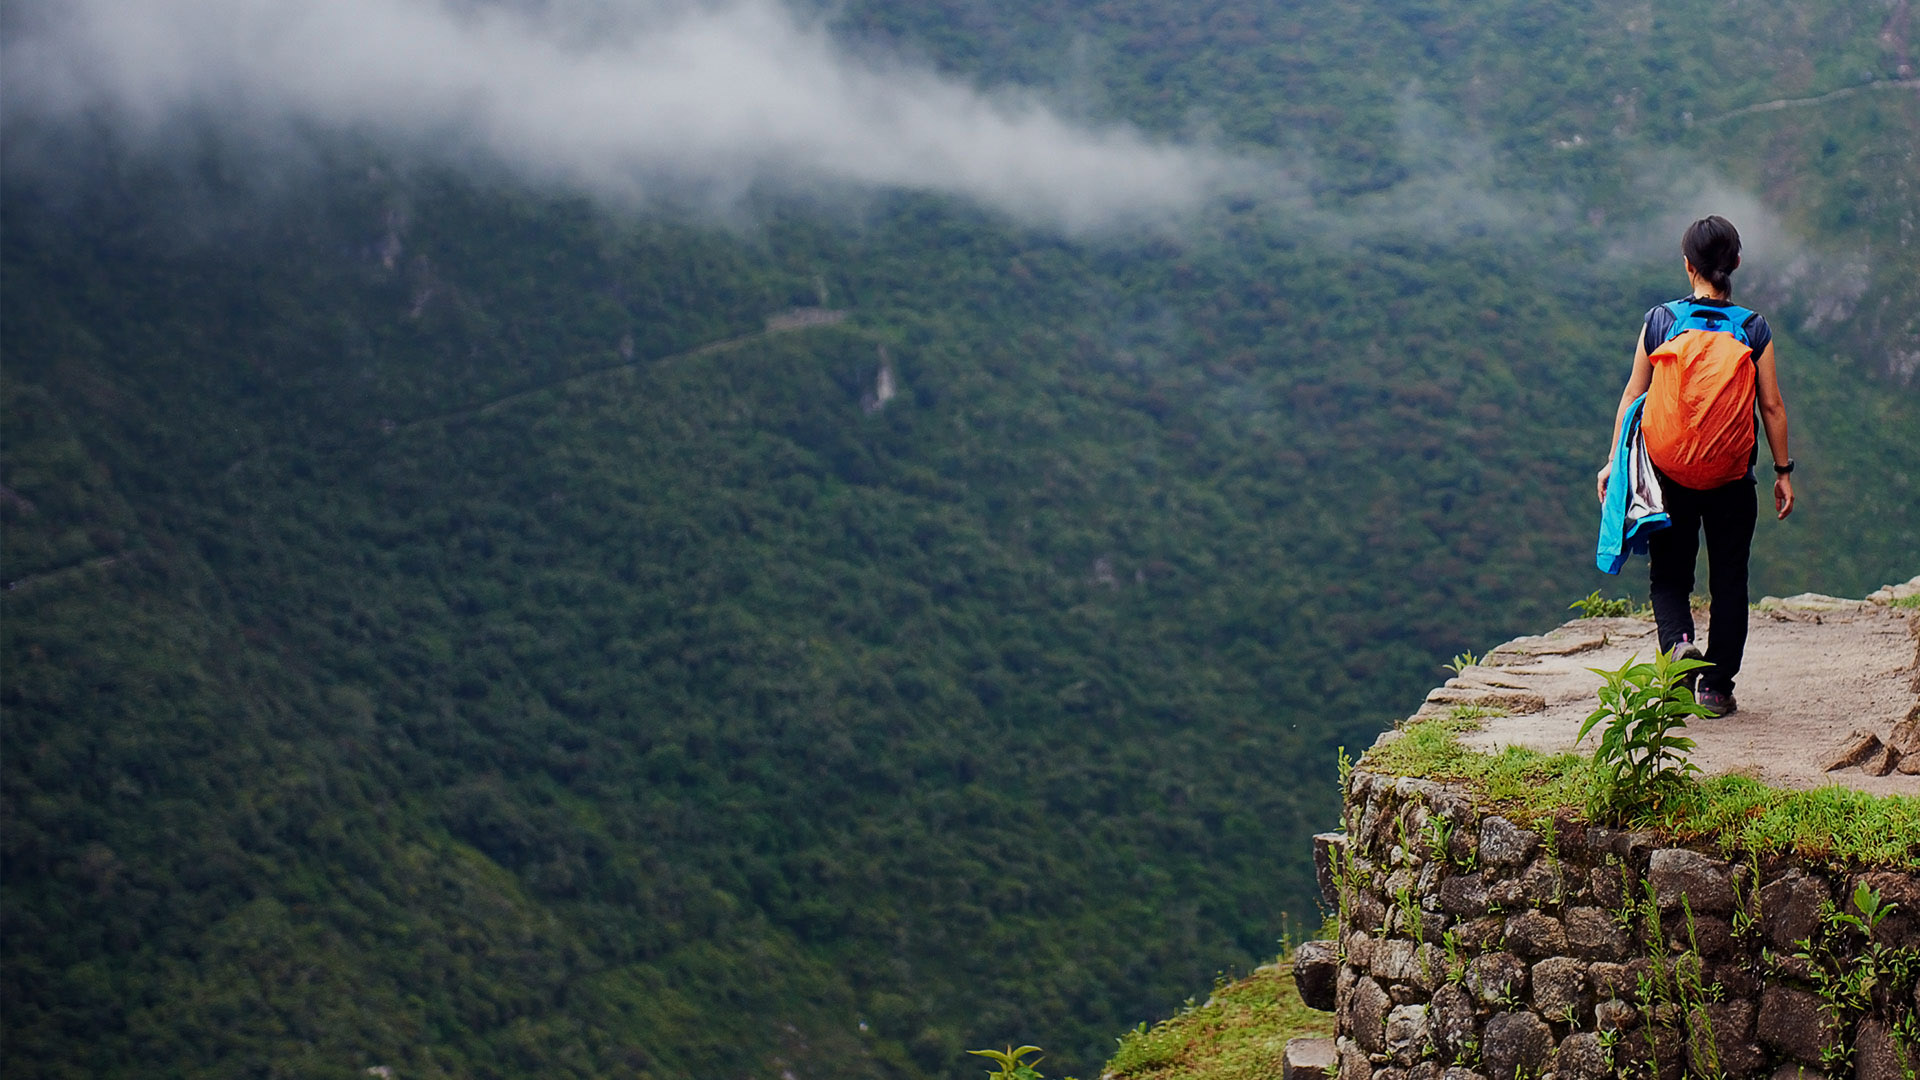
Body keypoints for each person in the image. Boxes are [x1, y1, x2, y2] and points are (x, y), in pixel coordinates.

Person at [1595, 215, 1795, 716]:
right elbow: (1771, 407)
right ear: (1736, 265)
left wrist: (1613, 461)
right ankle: (1717, 686)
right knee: (1729, 579)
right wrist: (1783, 471)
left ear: (1688, 266)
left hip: (1669, 476)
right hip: (1731, 480)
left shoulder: (1660, 321)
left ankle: (1680, 652)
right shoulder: (1753, 328)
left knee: (1669, 577)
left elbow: (1633, 394)